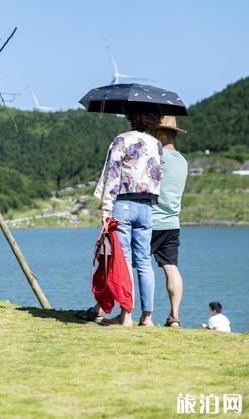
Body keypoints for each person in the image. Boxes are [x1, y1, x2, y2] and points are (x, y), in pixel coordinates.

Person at [93, 107, 163, 327]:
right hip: (146, 206)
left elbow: (112, 176)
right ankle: (148, 317)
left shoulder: (122, 140)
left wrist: (106, 210)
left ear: (131, 116)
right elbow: (158, 176)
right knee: (144, 261)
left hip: (123, 204)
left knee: (122, 261)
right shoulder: (157, 145)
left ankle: (126, 316)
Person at [151, 116, 189, 328]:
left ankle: (125, 312)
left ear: (160, 133)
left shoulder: (157, 155)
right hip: (172, 223)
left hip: (151, 220)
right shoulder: (183, 161)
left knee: (129, 264)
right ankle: (174, 316)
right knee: (171, 267)